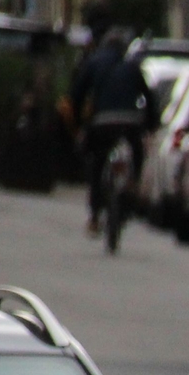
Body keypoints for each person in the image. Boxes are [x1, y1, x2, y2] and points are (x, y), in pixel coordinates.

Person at [68, 25, 151, 235]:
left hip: (101, 122)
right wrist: (151, 124)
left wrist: (78, 124)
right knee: (137, 152)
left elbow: (76, 95)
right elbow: (149, 98)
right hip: (130, 122)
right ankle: (134, 184)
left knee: (97, 164)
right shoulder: (131, 66)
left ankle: (95, 217)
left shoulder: (93, 63)